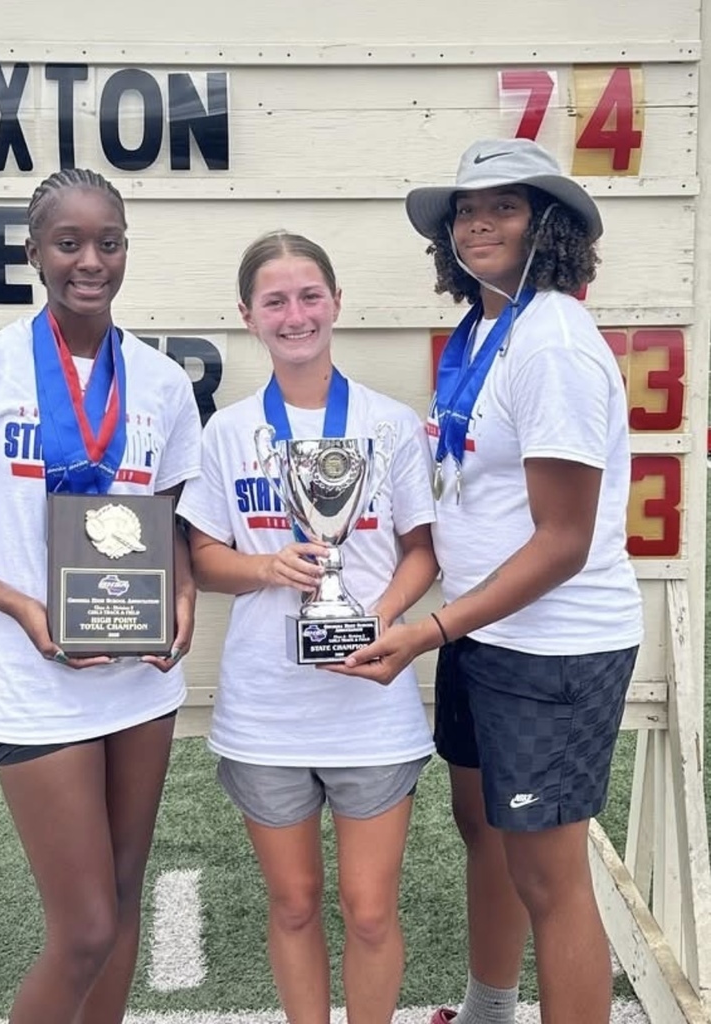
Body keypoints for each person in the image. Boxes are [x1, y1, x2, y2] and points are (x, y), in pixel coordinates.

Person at [0, 168, 201, 1024]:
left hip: (140, 678)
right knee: (86, 927)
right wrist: (20, 606)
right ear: (35, 252)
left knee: (126, 897)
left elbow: (168, 523)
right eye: (69, 243)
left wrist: (183, 598)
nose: (90, 261)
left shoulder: (165, 383)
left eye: (109, 242)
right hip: (39, 680)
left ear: (127, 249)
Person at [341, 139, 643, 1024]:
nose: (477, 222)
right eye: (465, 211)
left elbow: (563, 541)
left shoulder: (551, 341)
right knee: (488, 837)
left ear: (548, 226)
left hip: (551, 646)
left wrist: (430, 630)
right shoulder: (483, 327)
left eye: (504, 206)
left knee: (551, 879)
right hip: (487, 632)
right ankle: (487, 1010)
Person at [177, 231, 438, 1024]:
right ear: (248, 316)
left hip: (370, 704)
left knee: (367, 910)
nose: (296, 315)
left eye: (309, 296)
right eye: (276, 301)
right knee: (292, 905)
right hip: (267, 713)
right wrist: (267, 568)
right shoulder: (226, 433)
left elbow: (423, 553)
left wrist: (376, 618)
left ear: (336, 303)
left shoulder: (390, 425)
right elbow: (203, 556)